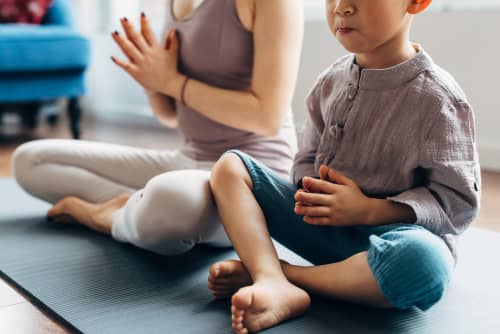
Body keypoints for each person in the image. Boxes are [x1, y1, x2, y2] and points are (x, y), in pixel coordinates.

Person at [207, 0, 481, 332]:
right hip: (323, 226)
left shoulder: (438, 100)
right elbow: (305, 159)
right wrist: (316, 192)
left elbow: (458, 203)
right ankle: (271, 279)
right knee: (230, 168)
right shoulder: (330, 81)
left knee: (424, 266)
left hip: (391, 246)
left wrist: (369, 211)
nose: (342, 7)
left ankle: (285, 276)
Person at [12, 0, 303, 255]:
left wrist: (171, 82)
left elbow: (266, 117)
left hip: (249, 179)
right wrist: (153, 82)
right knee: (29, 161)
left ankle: (104, 216)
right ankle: (135, 209)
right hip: (187, 160)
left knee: (170, 202)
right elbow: (171, 115)